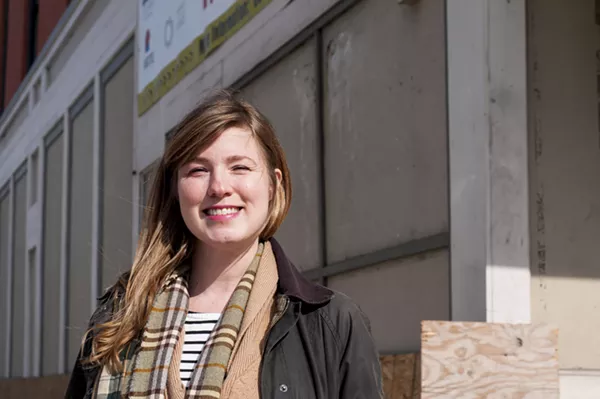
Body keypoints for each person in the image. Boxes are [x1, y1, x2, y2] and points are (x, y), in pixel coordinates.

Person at [65, 90, 383, 398]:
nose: (219, 187)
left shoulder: (332, 323)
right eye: (198, 170)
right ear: (175, 189)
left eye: (240, 167)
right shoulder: (119, 315)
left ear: (274, 184)